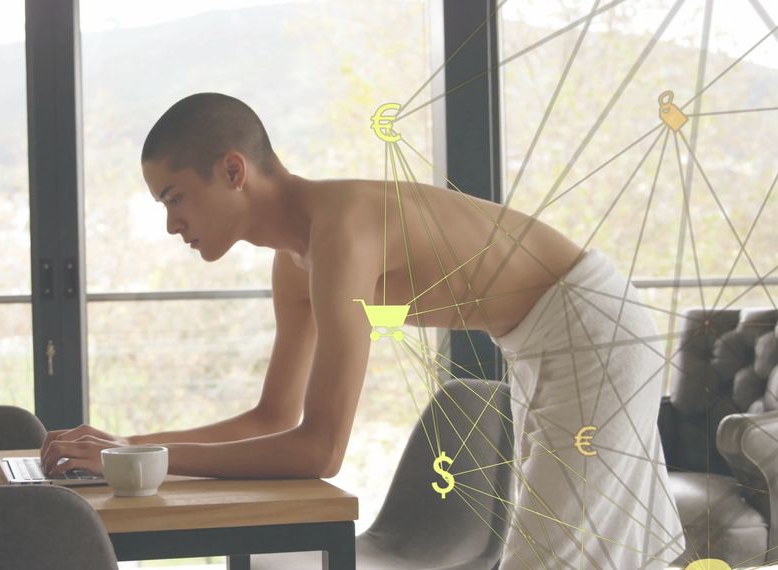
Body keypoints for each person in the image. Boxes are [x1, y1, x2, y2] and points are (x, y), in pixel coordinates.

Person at [41, 92, 684, 568]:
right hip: (541, 340)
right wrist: (125, 448)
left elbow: (321, 450)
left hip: (588, 328)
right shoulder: (295, 264)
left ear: (234, 171)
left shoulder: (340, 234)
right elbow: (272, 417)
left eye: (175, 197)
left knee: (552, 559)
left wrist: (140, 461)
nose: (170, 223)